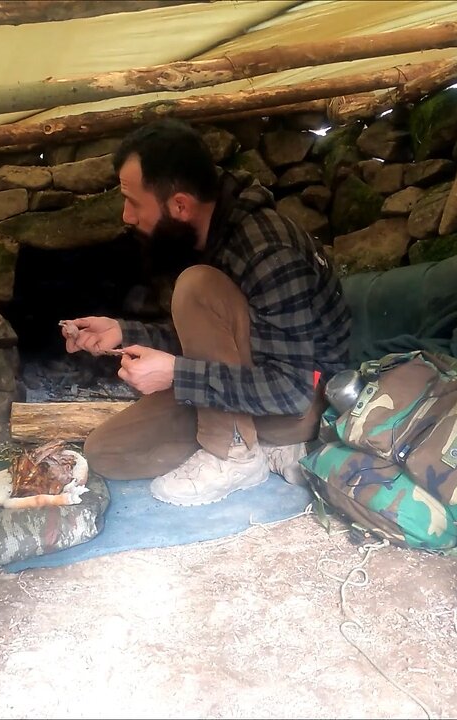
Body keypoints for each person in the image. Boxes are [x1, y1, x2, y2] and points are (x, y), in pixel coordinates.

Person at [61, 119, 352, 506]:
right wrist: (122, 331)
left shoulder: (267, 250)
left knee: (196, 285)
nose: (126, 217)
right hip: (243, 395)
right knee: (107, 452)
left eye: (133, 201)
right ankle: (260, 448)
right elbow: (215, 338)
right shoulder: (207, 234)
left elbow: (292, 391)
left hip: (302, 406)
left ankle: (235, 455)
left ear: (180, 205)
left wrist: (176, 374)